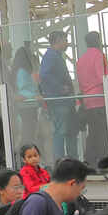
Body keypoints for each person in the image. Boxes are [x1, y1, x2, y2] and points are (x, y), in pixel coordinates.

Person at [75, 32, 108, 164]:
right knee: (104, 132)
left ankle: (89, 159)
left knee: (93, 131)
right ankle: (105, 160)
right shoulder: (99, 56)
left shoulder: (81, 60)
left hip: (87, 101)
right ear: (98, 41)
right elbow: (104, 77)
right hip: (100, 98)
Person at [39, 30, 75, 161]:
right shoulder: (52, 56)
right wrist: (60, 88)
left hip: (61, 100)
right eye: (65, 40)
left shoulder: (54, 55)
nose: (67, 43)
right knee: (60, 132)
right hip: (58, 100)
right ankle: (60, 161)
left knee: (63, 131)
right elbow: (44, 75)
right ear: (58, 40)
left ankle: (65, 160)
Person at [11, 45, 41, 141]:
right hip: (27, 105)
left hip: (27, 105)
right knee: (28, 134)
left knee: (28, 133)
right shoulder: (22, 72)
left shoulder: (20, 71)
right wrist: (35, 96)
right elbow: (23, 90)